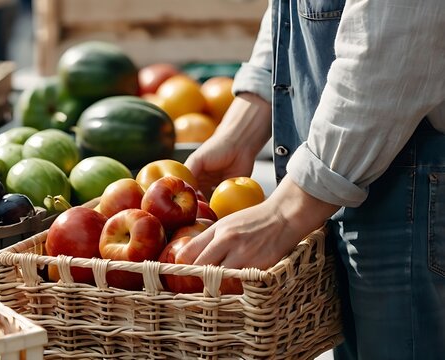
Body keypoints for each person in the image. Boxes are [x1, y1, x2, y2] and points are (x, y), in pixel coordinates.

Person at [179, 1, 445, 359]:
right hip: (350, 170)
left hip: (414, 192)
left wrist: (286, 212)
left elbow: (396, 44)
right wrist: (243, 126)